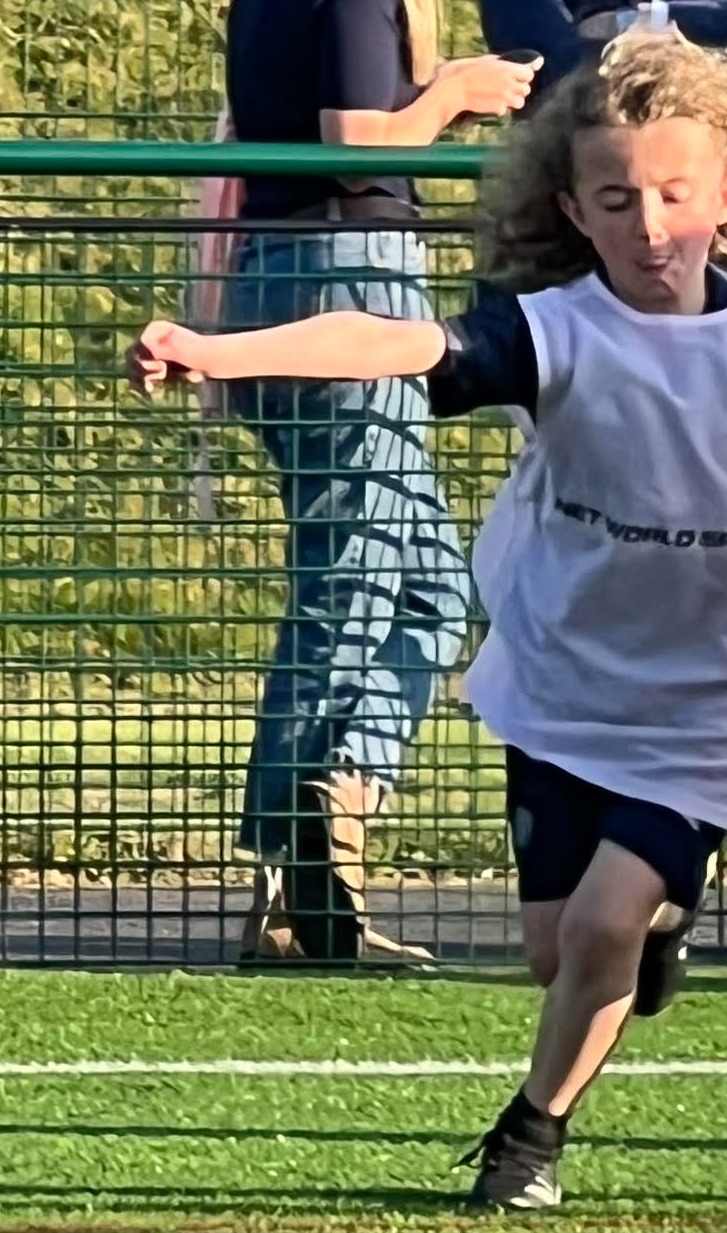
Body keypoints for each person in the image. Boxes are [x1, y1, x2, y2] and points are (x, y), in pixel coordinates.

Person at [127, 30, 727, 1209]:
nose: (650, 223)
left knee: (606, 922)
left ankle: (530, 1142)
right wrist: (215, 348)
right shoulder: (554, 329)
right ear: (573, 206)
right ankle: (642, 940)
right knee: (556, 947)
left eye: (676, 194)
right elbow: (391, 343)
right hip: (569, 685)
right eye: (617, 198)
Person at [475, 0, 727, 956]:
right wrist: (616, 59)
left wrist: (659, 23)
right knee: (609, 572)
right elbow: (533, 49)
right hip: (596, 306)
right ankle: (616, 868)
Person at [217, 0, 537, 963]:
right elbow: (354, 148)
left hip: (289, 274)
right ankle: (306, 877)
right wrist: (454, 93)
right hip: (345, 276)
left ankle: (320, 850)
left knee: (423, 589)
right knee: (352, 587)